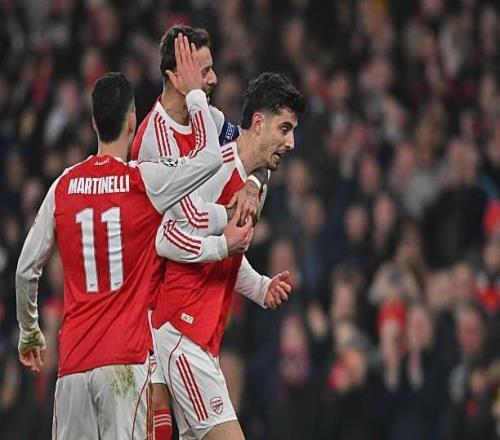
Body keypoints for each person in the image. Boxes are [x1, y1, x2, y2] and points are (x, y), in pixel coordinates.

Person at [15, 35, 251, 440]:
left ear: (94, 123)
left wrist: (29, 331)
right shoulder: (143, 182)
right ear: (131, 121)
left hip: (73, 367)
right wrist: (195, 95)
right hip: (124, 363)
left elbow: (25, 270)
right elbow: (211, 158)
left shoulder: (63, 187)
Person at [133, 24, 270, 439]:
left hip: (188, 294)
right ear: (176, 76)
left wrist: (253, 184)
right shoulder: (151, 141)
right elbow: (188, 218)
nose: (213, 79)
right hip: (149, 299)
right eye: (203, 70)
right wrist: (229, 221)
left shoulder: (209, 118)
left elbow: (253, 153)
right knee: (158, 417)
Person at [152, 72, 306, 439]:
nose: (291, 142)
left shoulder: (256, 185)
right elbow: (166, 237)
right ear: (258, 123)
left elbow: (229, 254)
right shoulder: (211, 168)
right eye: (284, 129)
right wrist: (223, 246)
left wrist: (260, 287)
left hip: (204, 338)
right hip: (181, 331)